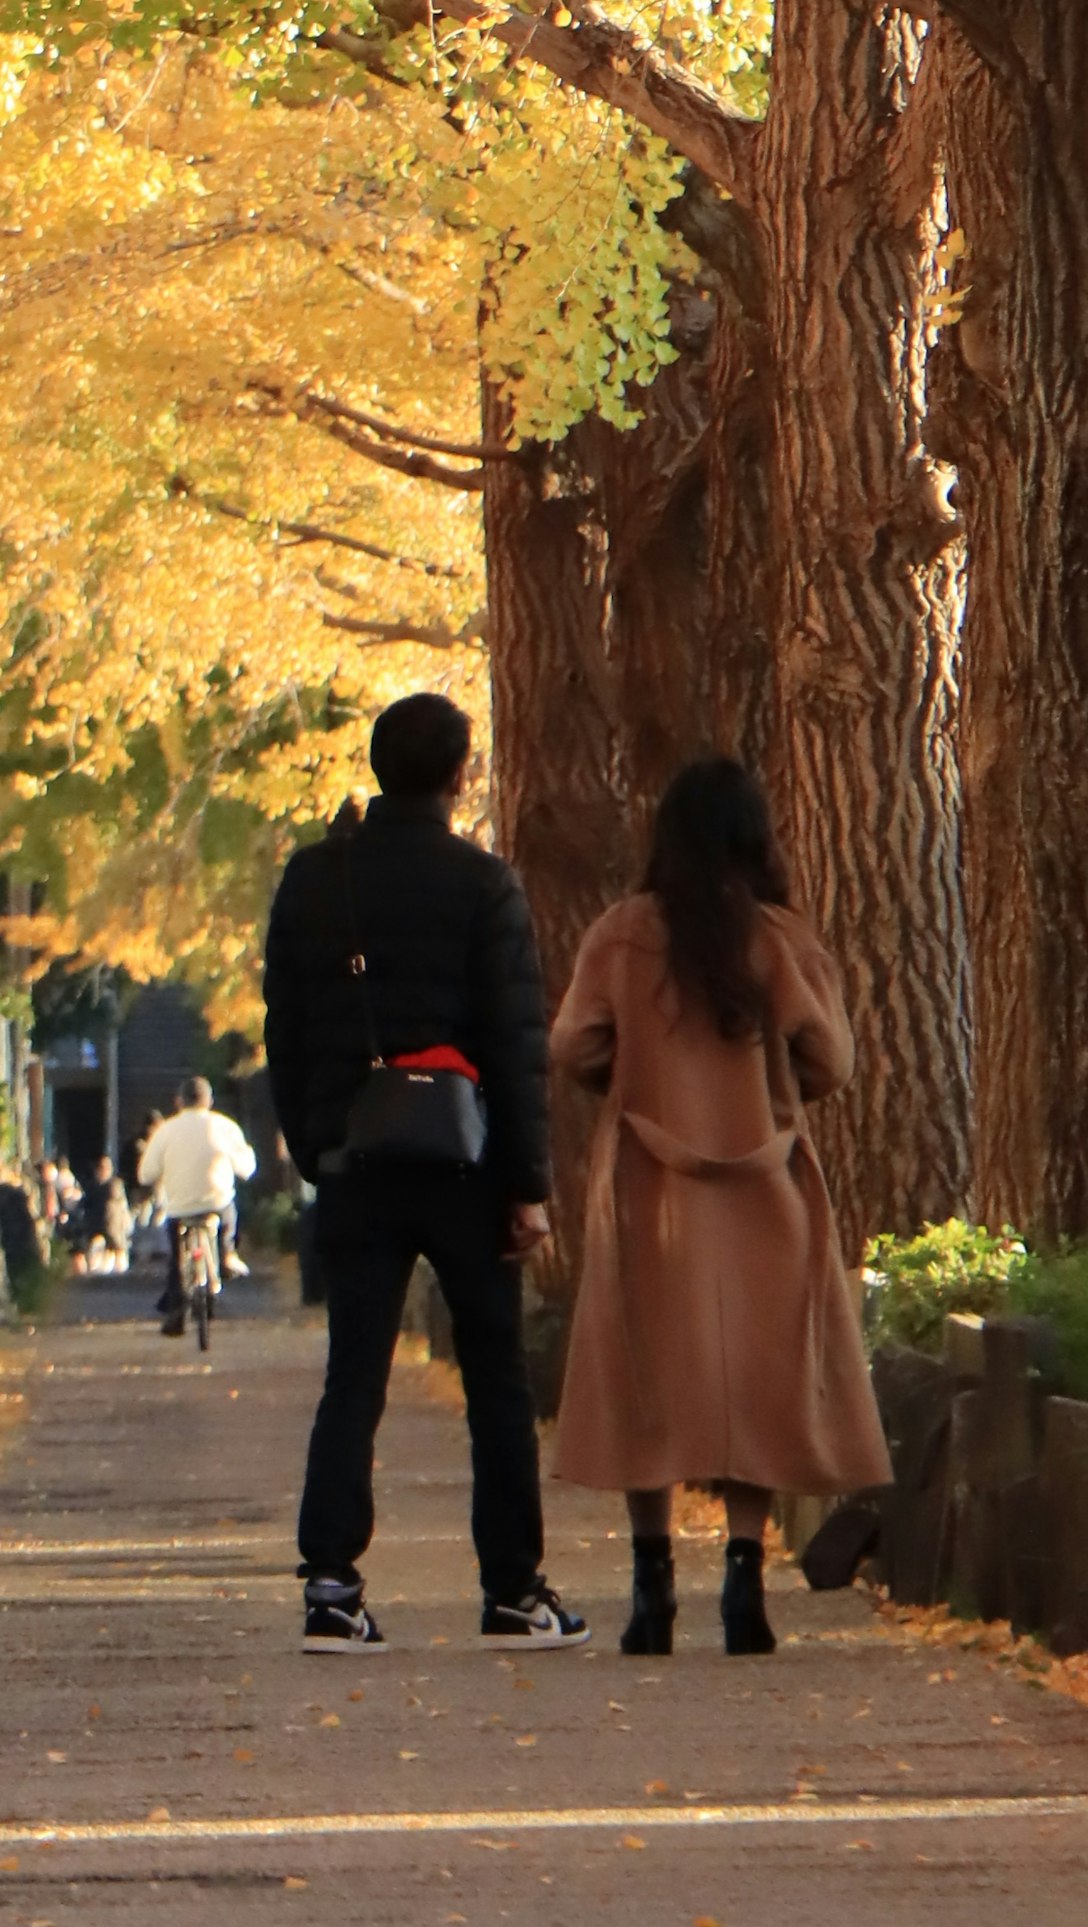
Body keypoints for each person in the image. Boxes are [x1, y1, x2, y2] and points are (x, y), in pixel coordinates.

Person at [263, 691, 586, 1650]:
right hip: (466, 1162)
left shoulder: (317, 881)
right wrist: (529, 1184)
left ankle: (331, 1584)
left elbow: (286, 1027)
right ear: (460, 774)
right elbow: (516, 1040)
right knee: (497, 1381)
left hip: (356, 1159)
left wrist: (311, 1142)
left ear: (374, 766)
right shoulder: (485, 885)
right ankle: (514, 1592)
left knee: (352, 1375)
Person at [546, 755, 887, 1658]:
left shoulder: (621, 937)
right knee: (760, 1377)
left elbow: (575, 1043)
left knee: (647, 1372)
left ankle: (651, 1580)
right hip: (764, 1183)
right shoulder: (779, 939)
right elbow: (834, 1063)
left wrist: (626, 1074)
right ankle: (743, 1575)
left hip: (647, 1189)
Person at [137, 1075, 258, 1335]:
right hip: (215, 1202)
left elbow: (145, 1174)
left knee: (176, 1259)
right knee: (228, 1207)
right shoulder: (224, 1127)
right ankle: (226, 1254)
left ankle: (176, 1309)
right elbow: (246, 1169)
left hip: (179, 1208)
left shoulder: (165, 1130)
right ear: (209, 1101)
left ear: (179, 1101)